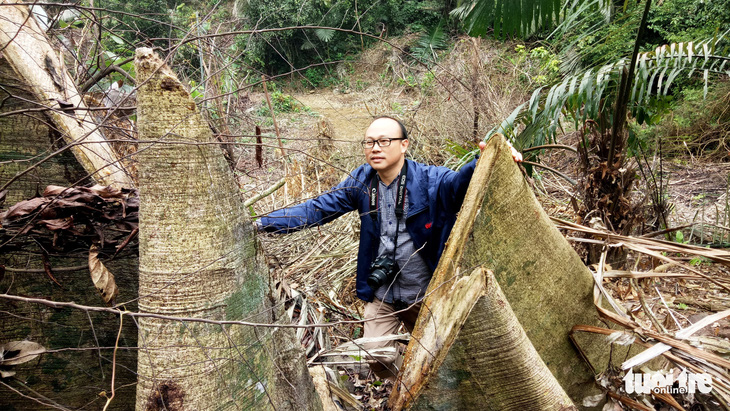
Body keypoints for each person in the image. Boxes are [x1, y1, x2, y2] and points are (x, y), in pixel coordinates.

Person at [258, 116, 521, 379]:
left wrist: (485, 160)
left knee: (446, 362)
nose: (375, 148)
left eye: (384, 141)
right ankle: (404, 384)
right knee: (376, 358)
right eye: (370, 142)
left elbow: (458, 185)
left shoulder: (430, 180)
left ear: (404, 145)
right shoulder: (362, 181)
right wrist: (263, 223)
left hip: (426, 294)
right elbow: (317, 208)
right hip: (383, 293)